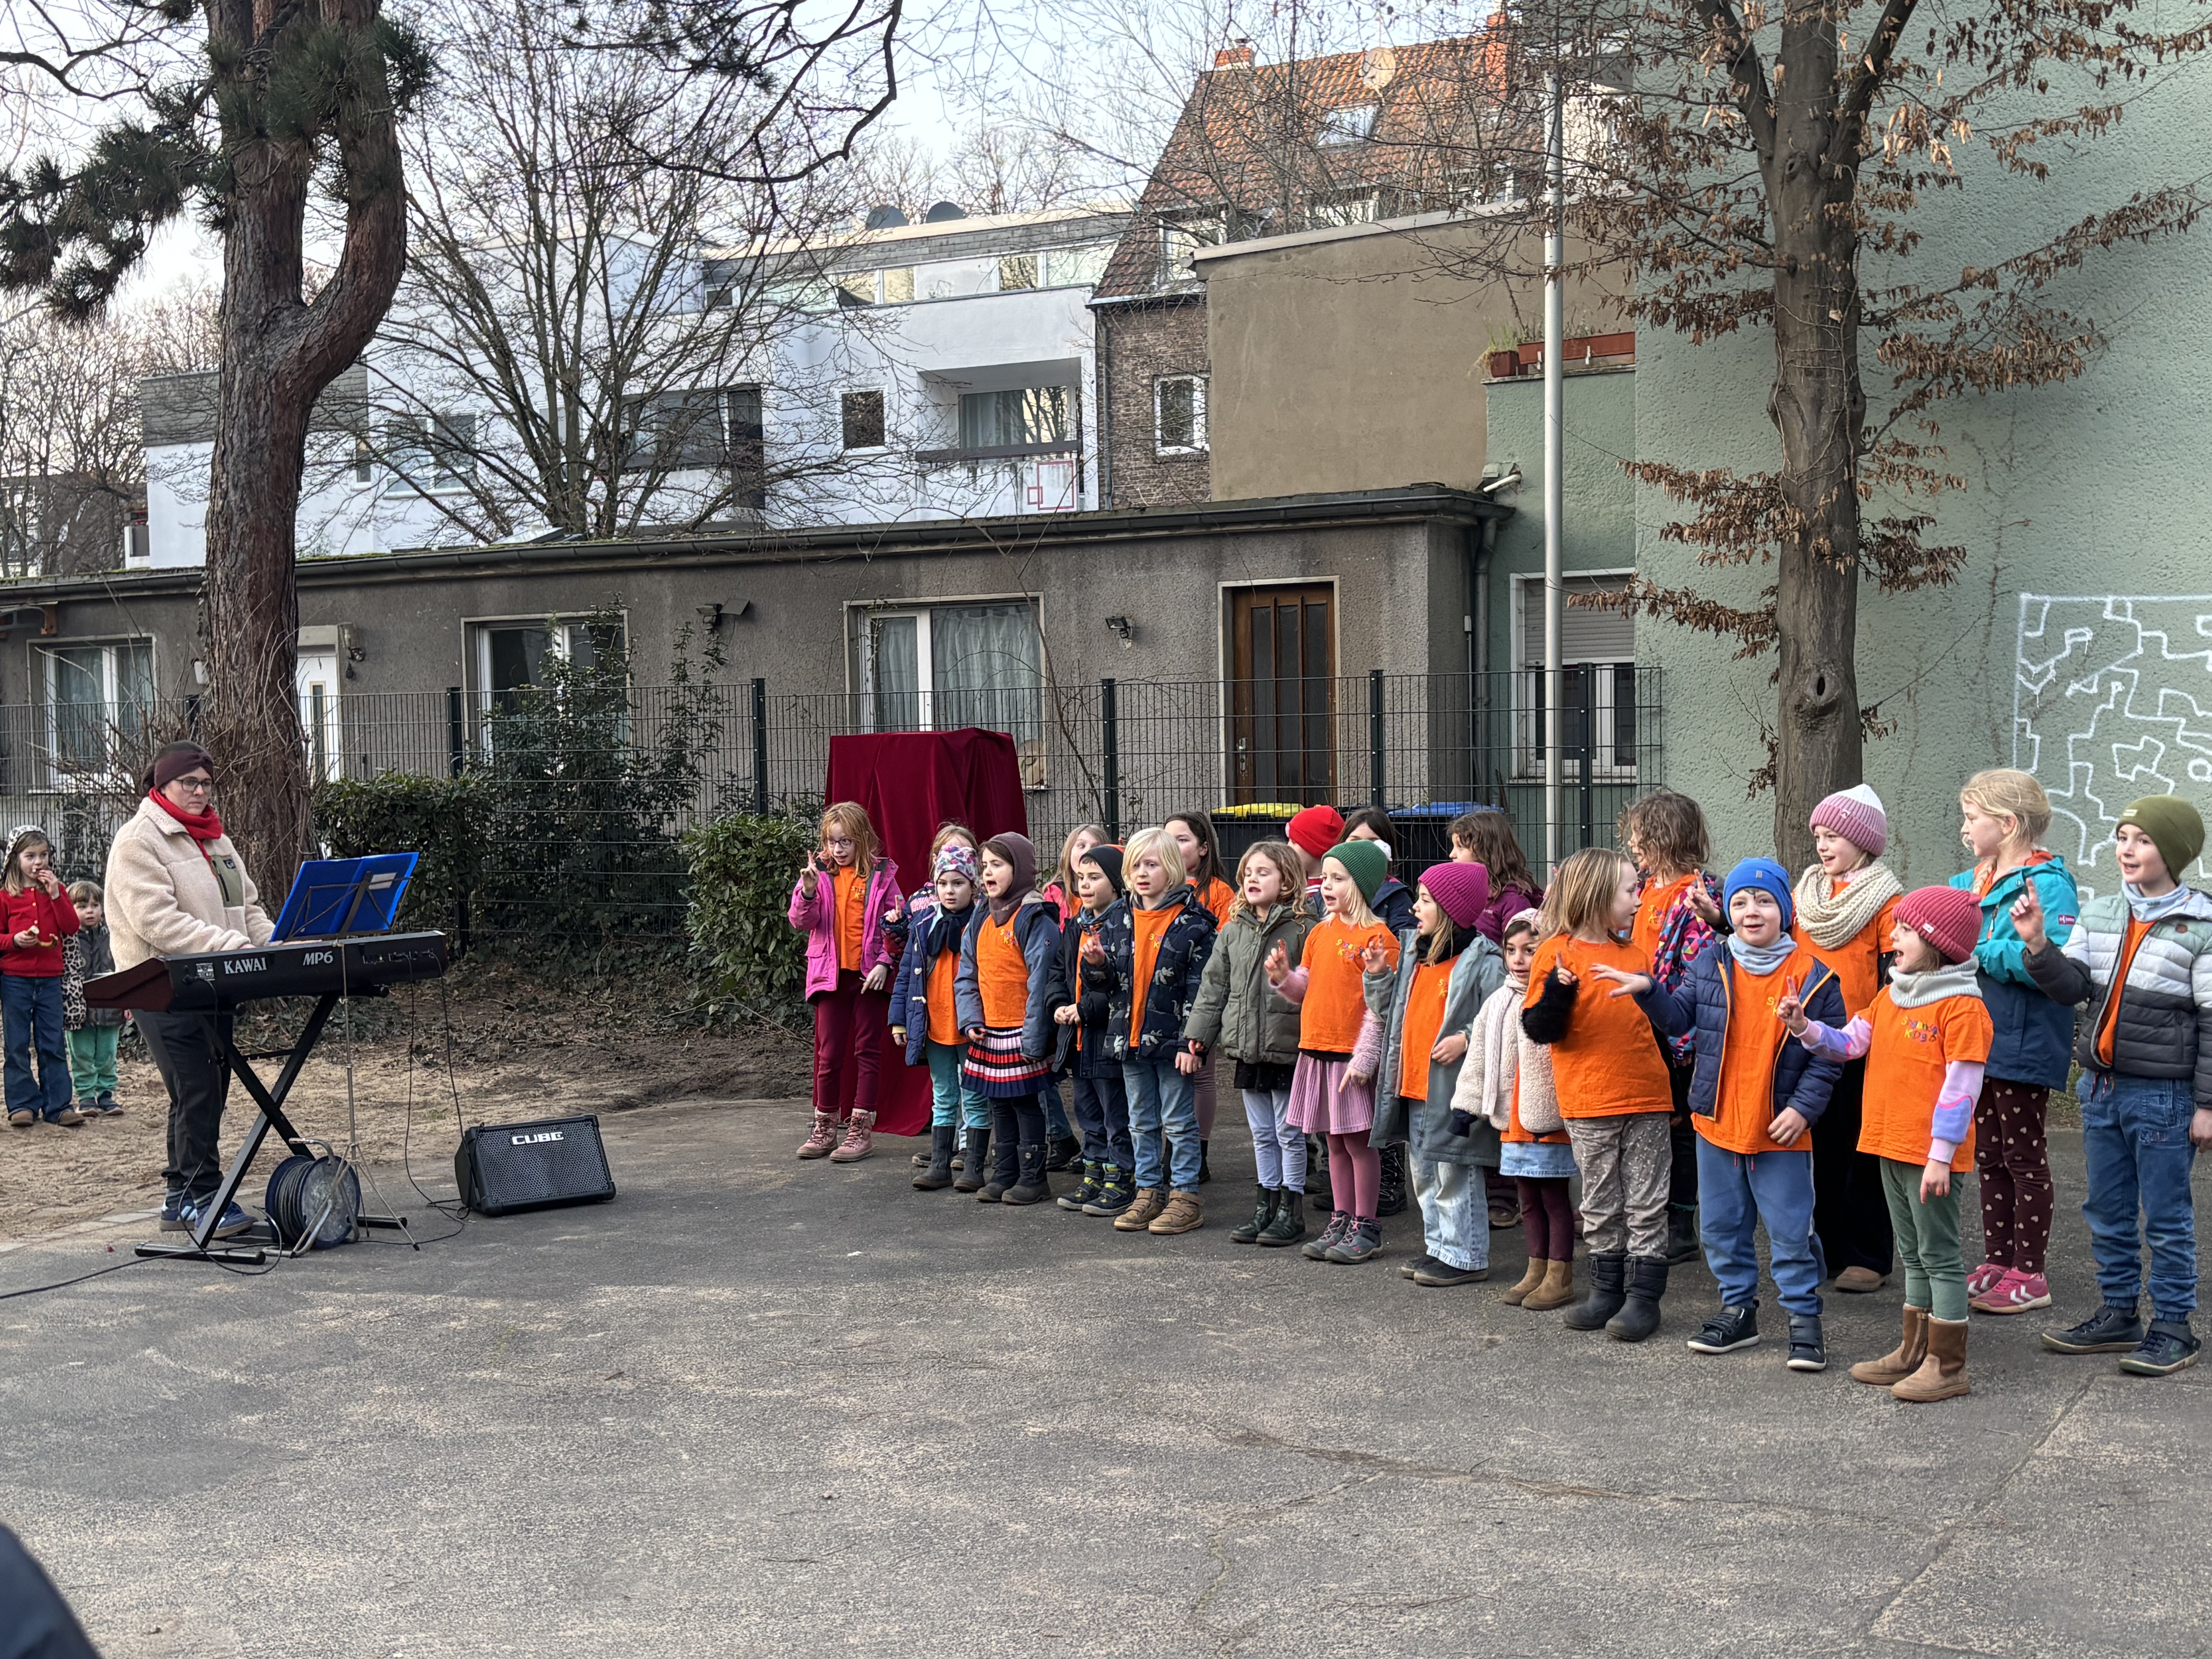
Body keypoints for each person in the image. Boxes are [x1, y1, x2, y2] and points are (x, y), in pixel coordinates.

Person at [1597, 858, 1848, 1369]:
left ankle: (1804, 1319)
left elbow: (1829, 1057)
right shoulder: (1711, 962)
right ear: (1729, 912)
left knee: (1791, 1232)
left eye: (1764, 901)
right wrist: (1650, 992)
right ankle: (1738, 1312)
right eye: (1740, 902)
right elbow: (1678, 1020)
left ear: (1785, 909)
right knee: (1721, 1229)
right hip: (1717, 1125)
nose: (1752, 911)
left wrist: (1803, 1110)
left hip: (1780, 1131)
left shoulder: (1816, 978)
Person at [2019, 795, 2212, 1378]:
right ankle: (2120, 1312)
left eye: (2143, 840)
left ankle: (2174, 1326)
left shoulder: (2202, 927)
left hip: (2164, 1097)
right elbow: (2073, 988)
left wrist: (2207, 1105)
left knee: (2167, 1217)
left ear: (2173, 852)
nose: (2127, 849)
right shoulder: (2103, 911)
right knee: (2107, 1209)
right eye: (2123, 837)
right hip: (2100, 1090)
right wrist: (2037, 945)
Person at [1781, 886, 1992, 1403]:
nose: (1893, 936)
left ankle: (1948, 1365)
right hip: (1889, 1146)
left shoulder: (1963, 1007)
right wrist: (1806, 1028)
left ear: (1937, 942)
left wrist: (1941, 1156)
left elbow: (1962, 1089)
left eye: (1905, 930)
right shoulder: (1892, 994)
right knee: (1913, 1255)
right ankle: (1913, 1350)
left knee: (1939, 1256)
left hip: (1930, 1158)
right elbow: (1850, 1043)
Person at [105, 742, 275, 1237]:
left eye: (206, 784)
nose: (201, 792)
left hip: (216, 980)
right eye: (190, 783)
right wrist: (229, 945)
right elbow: (158, 922)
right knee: (197, 1086)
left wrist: (276, 943)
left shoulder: (217, 840)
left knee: (204, 1090)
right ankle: (206, 1199)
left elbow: (247, 908)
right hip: (161, 985)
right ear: (162, 786)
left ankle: (179, 1199)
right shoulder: (138, 841)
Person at [1520, 846, 1677, 1340]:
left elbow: (1657, 1025)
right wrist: (1558, 991)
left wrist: (1675, 1090)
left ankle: (1644, 1299)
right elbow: (1539, 1029)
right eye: (1631, 891)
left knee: (1648, 1201)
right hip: (1589, 1101)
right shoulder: (1555, 952)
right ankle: (1606, 1291)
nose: (1639, 899)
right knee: (1601, 1201)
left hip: (1647, 1097)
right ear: (1597, 895)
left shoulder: (1636, 954)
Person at [1949, 769, 2078, 1316]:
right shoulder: (1968, 882)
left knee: (2024, 1156)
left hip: (2025, 1041)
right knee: (1989, 1154)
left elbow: (2050, 961)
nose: (1964, 829)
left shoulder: (2048, 885)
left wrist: (1978, 950)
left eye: (1972, 818)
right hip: (1977, 1036)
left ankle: (2031, 1272)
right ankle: (1998, 1260)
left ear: (2006, 824)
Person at [1365, 861, 1505, 1286]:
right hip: (1414, 1086)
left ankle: (1466, 1256)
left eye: (1425, 900)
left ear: (1450, 909)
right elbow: (1392, 1014)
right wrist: (1378, 977)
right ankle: (1439, 1248)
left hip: (1452, 1092)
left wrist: (1466, 1038)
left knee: (1455, 1173)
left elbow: (1498, 1016)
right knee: (1425, 1174)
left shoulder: (1483, 961)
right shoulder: (1416, 955)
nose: (1415, 908)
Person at [1791, 785, 1904, 1294]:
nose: (1822, 845)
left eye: (1833, 835)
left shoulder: (1887, 902)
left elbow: (1897, 973)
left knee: (1863, 1147)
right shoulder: (1806, 896)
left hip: (1860, 1042)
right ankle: (1830, 1248)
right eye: (1818, 835)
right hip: (1807, 1036)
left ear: (1863, 842)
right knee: (1822, 1148)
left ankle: (1868, 1256)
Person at [1266, 840, 1401, 1263]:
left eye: (1338, 878)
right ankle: (1341, 1220)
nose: (1326, 885)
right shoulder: (1320, 933)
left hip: (1350, 1058)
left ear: (1361, 884)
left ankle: (1367, 1225)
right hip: (1317, 1051)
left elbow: (1381, 1010)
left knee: (1359, 1145)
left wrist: (1365, 1059)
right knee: (1335, 1145)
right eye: (1325, 877)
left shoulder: (1380, 939)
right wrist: (1284, 977)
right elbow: (1305, 988)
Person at [1082, 827, 1217, 1233]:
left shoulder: (1195, 924)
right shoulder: (1118, 919)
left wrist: (1192, 1043)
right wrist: (1097, 965)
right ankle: (1148, 1191)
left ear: (1172, 868)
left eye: (1152, 865)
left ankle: (1185, 1196)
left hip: (1174, 1044)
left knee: (1178, 1121)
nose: (1142, 873)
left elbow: (1201, 990)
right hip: (1129, 1040)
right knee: (1140, 1121)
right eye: (1136, 865)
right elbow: (1107, 987)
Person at [1184, 841, 1311, 1244]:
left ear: (1287, 881)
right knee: (1261, 1133)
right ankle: (1265, 1206)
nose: (1252, 879)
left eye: (1264, 873)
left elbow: (1313, 988)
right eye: (1248, 873)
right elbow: (1214, 987)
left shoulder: (1304, 929)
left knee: (1289, 1133)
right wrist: (1199, 1036)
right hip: (1247, 1048)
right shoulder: (1233, 929)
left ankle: (1292, 1209)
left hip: (1286, 1047)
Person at [1618, 789, 1724, 1267]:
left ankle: (1681, 1224)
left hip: (1677, 1030)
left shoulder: (1695, 894)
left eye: (1639, 835)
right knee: (1651, 1124)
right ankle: (1649, 1213)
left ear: (1663, 837)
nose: (1632, 844)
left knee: (1681, 1126)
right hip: (1639, 1024)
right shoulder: (1640, 891)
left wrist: (1683, 1032)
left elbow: (1700, 968)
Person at [1456, 910, 1578, 1310]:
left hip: (1549, 1118)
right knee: (1528, 1200)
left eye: (1530, 950)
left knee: (1554, 1199)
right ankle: (1535, 1268)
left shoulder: (1554, 994)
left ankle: (1560, 1275)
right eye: (1512, 950)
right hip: (1512, 1120)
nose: (1519, 959)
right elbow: (1479, 1055)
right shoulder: (1499, 1001)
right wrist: (1467, 1103)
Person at [788, 801, 903, 1163]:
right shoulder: (819, 875)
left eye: (846, 842)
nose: (838, 849)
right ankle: (825, 1126)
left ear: (863, 840)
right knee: (828, 1053)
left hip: (869, 978)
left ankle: (860, 1130)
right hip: (829, 976)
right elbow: (801, 922)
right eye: (832, 842)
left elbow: (898, 926)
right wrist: (807, 892)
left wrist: (885, 963)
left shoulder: (882, 876)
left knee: (867, 1051)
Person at [1448, 808, 1545, 1227]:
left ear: (1484, 849)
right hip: (1479, 1008)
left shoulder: (1513, 900)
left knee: (1505, 1098)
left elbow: (1522, 959)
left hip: (1508, 1012)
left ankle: (1506, 1193)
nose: (1453, 855)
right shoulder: (1478, 898)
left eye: (1460, 846)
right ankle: (1494, 1188)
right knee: (1480, 1097)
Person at [955, 833, 1060, 1205]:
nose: (988, 873)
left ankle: (1034, 1178)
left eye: (997, 865)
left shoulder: (1034, 918)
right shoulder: (981, 916)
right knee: (998, 1104)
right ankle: (1005, 1173)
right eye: (984, 866)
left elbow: (1041, 982)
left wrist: (1035, 1039)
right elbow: (967, 974)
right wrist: (970, 1019)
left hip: (1022, 1031)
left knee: (1025, 1104)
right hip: (990, 1033)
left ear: (1021, 869)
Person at [888, 844, 985, 1192]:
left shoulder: (983, 923)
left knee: (975, 1097)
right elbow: (906, 975)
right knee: (943, 1095)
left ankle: (973, 1167)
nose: (950, 891)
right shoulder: (924, 925)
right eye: (943, 883)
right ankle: (940, 1166)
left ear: (974, 885)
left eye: (958, 883)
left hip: (971, 1029)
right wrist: (900, 1020)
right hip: (935, 1026)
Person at [1051, 843, 1138, 1216]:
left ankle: (1122, 1178)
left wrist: (1085, 1010)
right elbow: (1059, 971)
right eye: (1081, 878)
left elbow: (1123, 985)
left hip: (1107, 1038)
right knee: (1087, 1112)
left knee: (1115, 1114)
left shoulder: (1125, 925)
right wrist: (1058, 1004)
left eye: (1095, 877)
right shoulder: (1076, 926)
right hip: (1079, 1040)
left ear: (1116, 883)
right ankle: (1094, 1173)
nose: (1084, 885)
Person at [1164, 809, 1233, 1182]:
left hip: (1201, 995)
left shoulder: (1219, 893)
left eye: (1182, 840)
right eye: (1168, 839)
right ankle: (1171, 1148)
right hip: (1163, 996)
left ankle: (1198, 1152)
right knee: (1167, 1075)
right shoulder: (1159, 885)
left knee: (1201, 1075)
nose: (1173, 847)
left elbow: (1222, 949)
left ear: (1204, 848)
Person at [2, 827, 82, 1131]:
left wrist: (57, 895)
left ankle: (58, 1106)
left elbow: (71, 927)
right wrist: (14, 941)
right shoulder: (6, 896)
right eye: (31, 856)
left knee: (53, 1043)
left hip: (50, 980)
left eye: (44, 855)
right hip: (15, 980)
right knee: (16, 1045)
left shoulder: (56, 892)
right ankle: (22, 1104)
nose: (39, 862)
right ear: (16, 859)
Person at [62, 879, 123, 1118]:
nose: (90, 911)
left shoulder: (113, 936)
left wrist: (126, 1002)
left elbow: (122, 970)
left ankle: (107, 1094)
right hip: (78, 1008)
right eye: (82, 906)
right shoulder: (68, 939)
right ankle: (86, 1096)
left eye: (95, 905)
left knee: (108, 1054)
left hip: (111, 1006)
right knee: (82, 1054)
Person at [1342, 806, 1419, 933]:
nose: (1363, 849)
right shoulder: (1329, 890)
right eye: (1355, 841)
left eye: (1373, 842)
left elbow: (1405, 941)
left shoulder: (1397, 898)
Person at [1285, 805, 1345, 919]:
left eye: (1294, 842)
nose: (1288, 847)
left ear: (1314, 849)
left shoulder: (1325, 894)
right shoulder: (1296, 882)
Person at [1042, 823, 1108, 922]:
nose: (1088, 852)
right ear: (1069, 852)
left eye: (1096, 847)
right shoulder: (1054, 893)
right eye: (1081, 846)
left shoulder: (1112, 893)